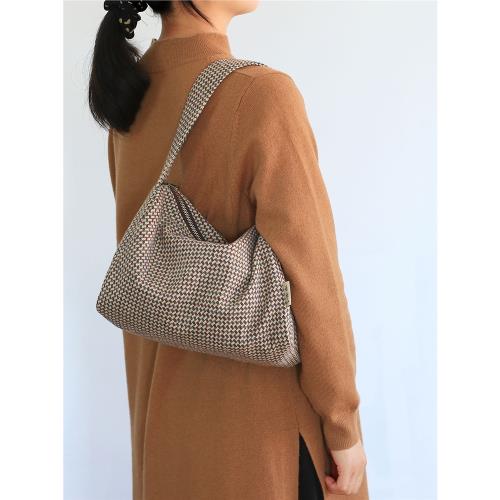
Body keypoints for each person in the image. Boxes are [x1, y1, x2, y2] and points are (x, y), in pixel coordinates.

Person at [89, 1, 368, 499]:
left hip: (163, 443)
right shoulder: (262, 95)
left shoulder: (129, 99)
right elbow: (314, 279)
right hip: (263, 442)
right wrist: (342, 423)